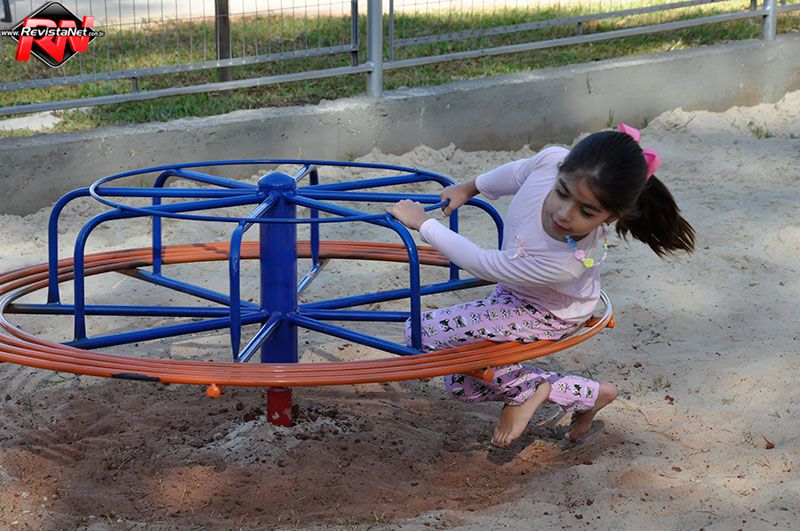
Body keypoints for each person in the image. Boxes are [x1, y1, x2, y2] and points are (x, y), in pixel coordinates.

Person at [387, 124, 695, 447]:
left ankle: (529, 391)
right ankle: (587, 394)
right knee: (461, 383)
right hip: (516, 291)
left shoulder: (564, 261)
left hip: (548, 312)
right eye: (561, 192)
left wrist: (423, 223)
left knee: (421, 333)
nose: (564, 213)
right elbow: (515, 173)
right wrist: (469, 188)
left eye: (586, 211)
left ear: (610, 218)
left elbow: (483, 263)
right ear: (560, 170)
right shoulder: (551, 161)